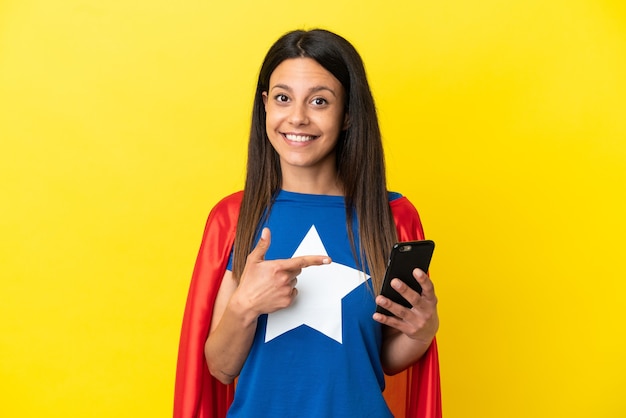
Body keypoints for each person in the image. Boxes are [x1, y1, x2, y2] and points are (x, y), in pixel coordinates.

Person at [174, 29, 441, 418]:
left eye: (319, 101)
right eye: (283, 98)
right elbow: (220, 366)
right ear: (265, 105)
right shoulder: (234, 217)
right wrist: (246, 305)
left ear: (348, 113)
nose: (297, 117)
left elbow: (382, 358)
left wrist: (422, 330)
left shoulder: (393, 217)